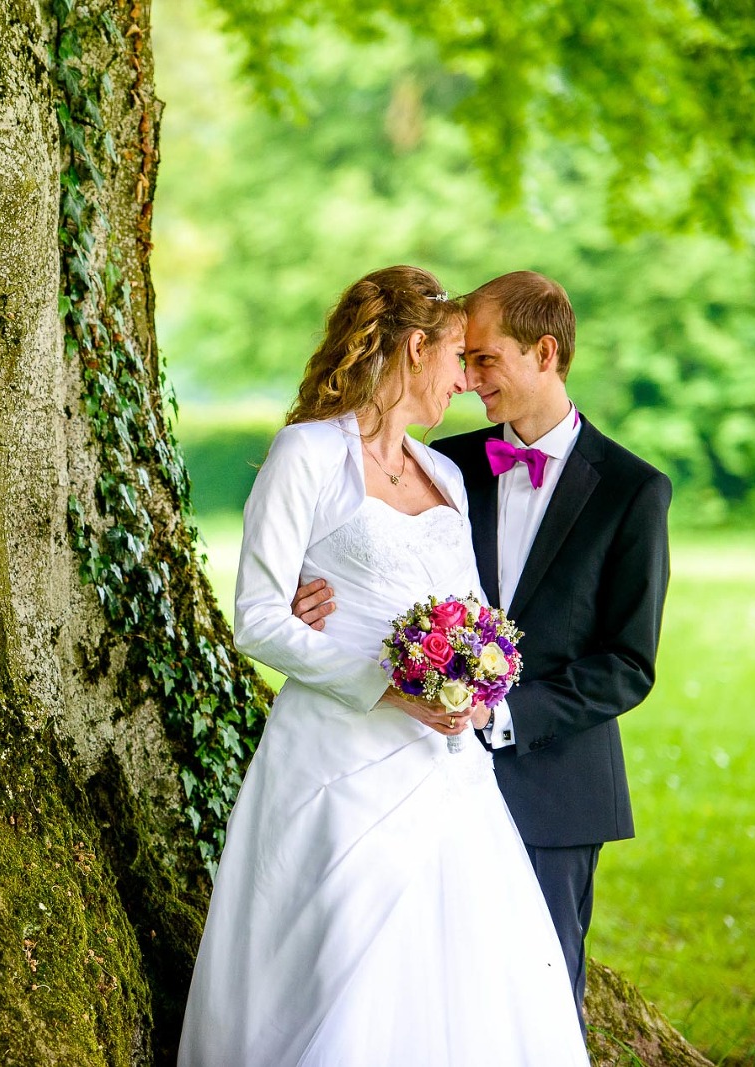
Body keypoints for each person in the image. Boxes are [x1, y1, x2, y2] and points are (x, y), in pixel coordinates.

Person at [178, 266, 587, 1066]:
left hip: (447, 765)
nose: (466, 382)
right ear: (413, 347)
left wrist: (477, 679)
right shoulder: (307, 454)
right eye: (456, 360)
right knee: (344, 970)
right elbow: (259, 617)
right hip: (338, 756)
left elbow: (471, 613)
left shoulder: (446, 476)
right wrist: (390, 687)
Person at [295, 270, 671, 1028]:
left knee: (534, 1003)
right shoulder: (444, 465)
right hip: (415, 774)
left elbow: (628, 664)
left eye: (485, 361)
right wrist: (315, 597)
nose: (465, 380)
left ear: (544, 352)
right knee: (418, 995)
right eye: (460, 360)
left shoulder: (634, 490)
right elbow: (374, 559)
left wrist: (498, 716)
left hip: (556, 788)